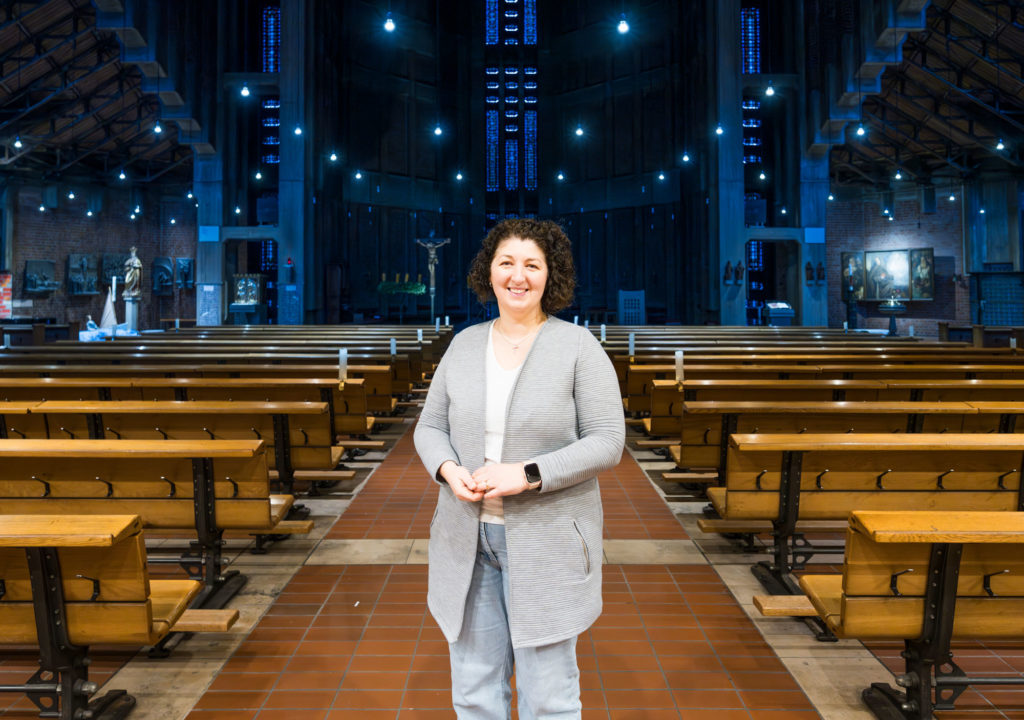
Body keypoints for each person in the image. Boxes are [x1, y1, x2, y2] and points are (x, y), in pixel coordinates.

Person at [414, 218, 625, 719]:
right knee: (474, 691)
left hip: (547, 537)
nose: (518, 275)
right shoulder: (464, 344)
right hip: (467, 536)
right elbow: (429, 427)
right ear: (489, 272)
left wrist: (527, 473)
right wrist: (447, 469)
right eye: (506, 262)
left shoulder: (579, 347)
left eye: (532, 265)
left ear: (551, 277)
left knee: (548, 696)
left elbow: (608, 441)